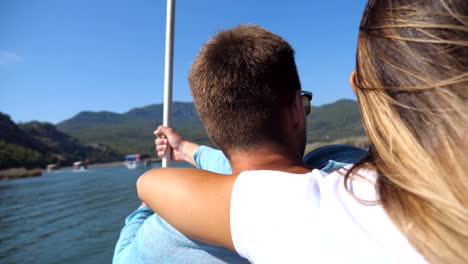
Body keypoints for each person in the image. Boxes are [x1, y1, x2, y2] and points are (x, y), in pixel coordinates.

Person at [136, 1, 468, 263]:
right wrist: (186, 149)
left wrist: (181, 155)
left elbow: (150, 183)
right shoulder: (356, 177)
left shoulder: (299, 212)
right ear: (296, 107)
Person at [113, 24, 367, 263]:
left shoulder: (167, 233)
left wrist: (146, 208)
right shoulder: (346, 169)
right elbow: (255, 173)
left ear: (213, 126)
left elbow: (121, 256)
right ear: (295, 109)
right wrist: (186, 149)